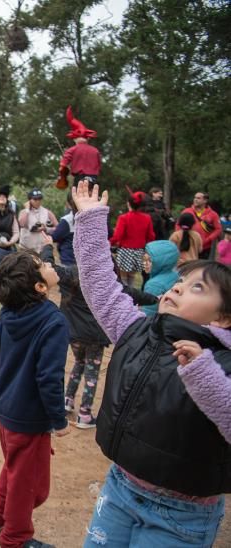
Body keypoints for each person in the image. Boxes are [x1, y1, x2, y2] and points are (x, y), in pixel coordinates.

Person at [71, 181, 229, 548]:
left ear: (222, 318)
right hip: (120, 489)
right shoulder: (139, 329)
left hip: (184, 513)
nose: (176, 288)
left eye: (197, 288)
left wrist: (203, 371)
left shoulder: (221, 363)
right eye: (180, 281)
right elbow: (100, 285)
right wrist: (91, 220)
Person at [0, 249, 70, 548]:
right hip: (30, 418)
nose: (49, 264)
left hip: (5, 409)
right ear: (40, 287)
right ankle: (16, 538)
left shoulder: (8, 314)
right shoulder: (54, 322)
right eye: (42, 265)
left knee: (15, 467)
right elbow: (49, 378)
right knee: (29, 485)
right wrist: (58, 419)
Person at [109, 191, 155, 287]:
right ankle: (132, 297)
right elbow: (151, 236)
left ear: (128, 204)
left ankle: (125, 297)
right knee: (132, 278)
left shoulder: (124, 218)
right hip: (139, 252)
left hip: (125, 252)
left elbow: (117, 236)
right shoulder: (147, 218)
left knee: (123, 279)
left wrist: (108, 243)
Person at [56, 106, 100, 190]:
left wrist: (62, 177)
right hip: (93, 180)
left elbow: (62, 166)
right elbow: (99, 167)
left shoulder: (72, 150)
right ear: (88, 138)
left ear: (74, 138)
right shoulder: (95, 151)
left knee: (74, 199)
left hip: (79, 179)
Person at [178, 191, 222, 260]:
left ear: (205, 200)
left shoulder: (213, 214)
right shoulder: (186, 211)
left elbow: (218, 229)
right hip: (188, 246)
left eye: (198, 198)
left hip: (204, 247)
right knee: (188, 267)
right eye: (195, 197)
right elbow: (178, 225)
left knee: (201, 268)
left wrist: (208, 239)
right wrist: (181, 237)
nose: (195, 199)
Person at [139, 240, 179, 316]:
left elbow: (149, 312)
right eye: (144, 259)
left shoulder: (154, 285)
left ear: (162, 262)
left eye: (150, 261)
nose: (145, 263)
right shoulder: (174, 274)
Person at [18, 189, 58, 253]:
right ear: (29, 200)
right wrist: (27, 210)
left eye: (39, 199)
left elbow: (58, 227)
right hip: (26, 248)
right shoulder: (23, 212)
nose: (38, 201)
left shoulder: (47, 212)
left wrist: (46, 229)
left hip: (41, 249)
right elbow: (21, 224)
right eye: (35, 199)